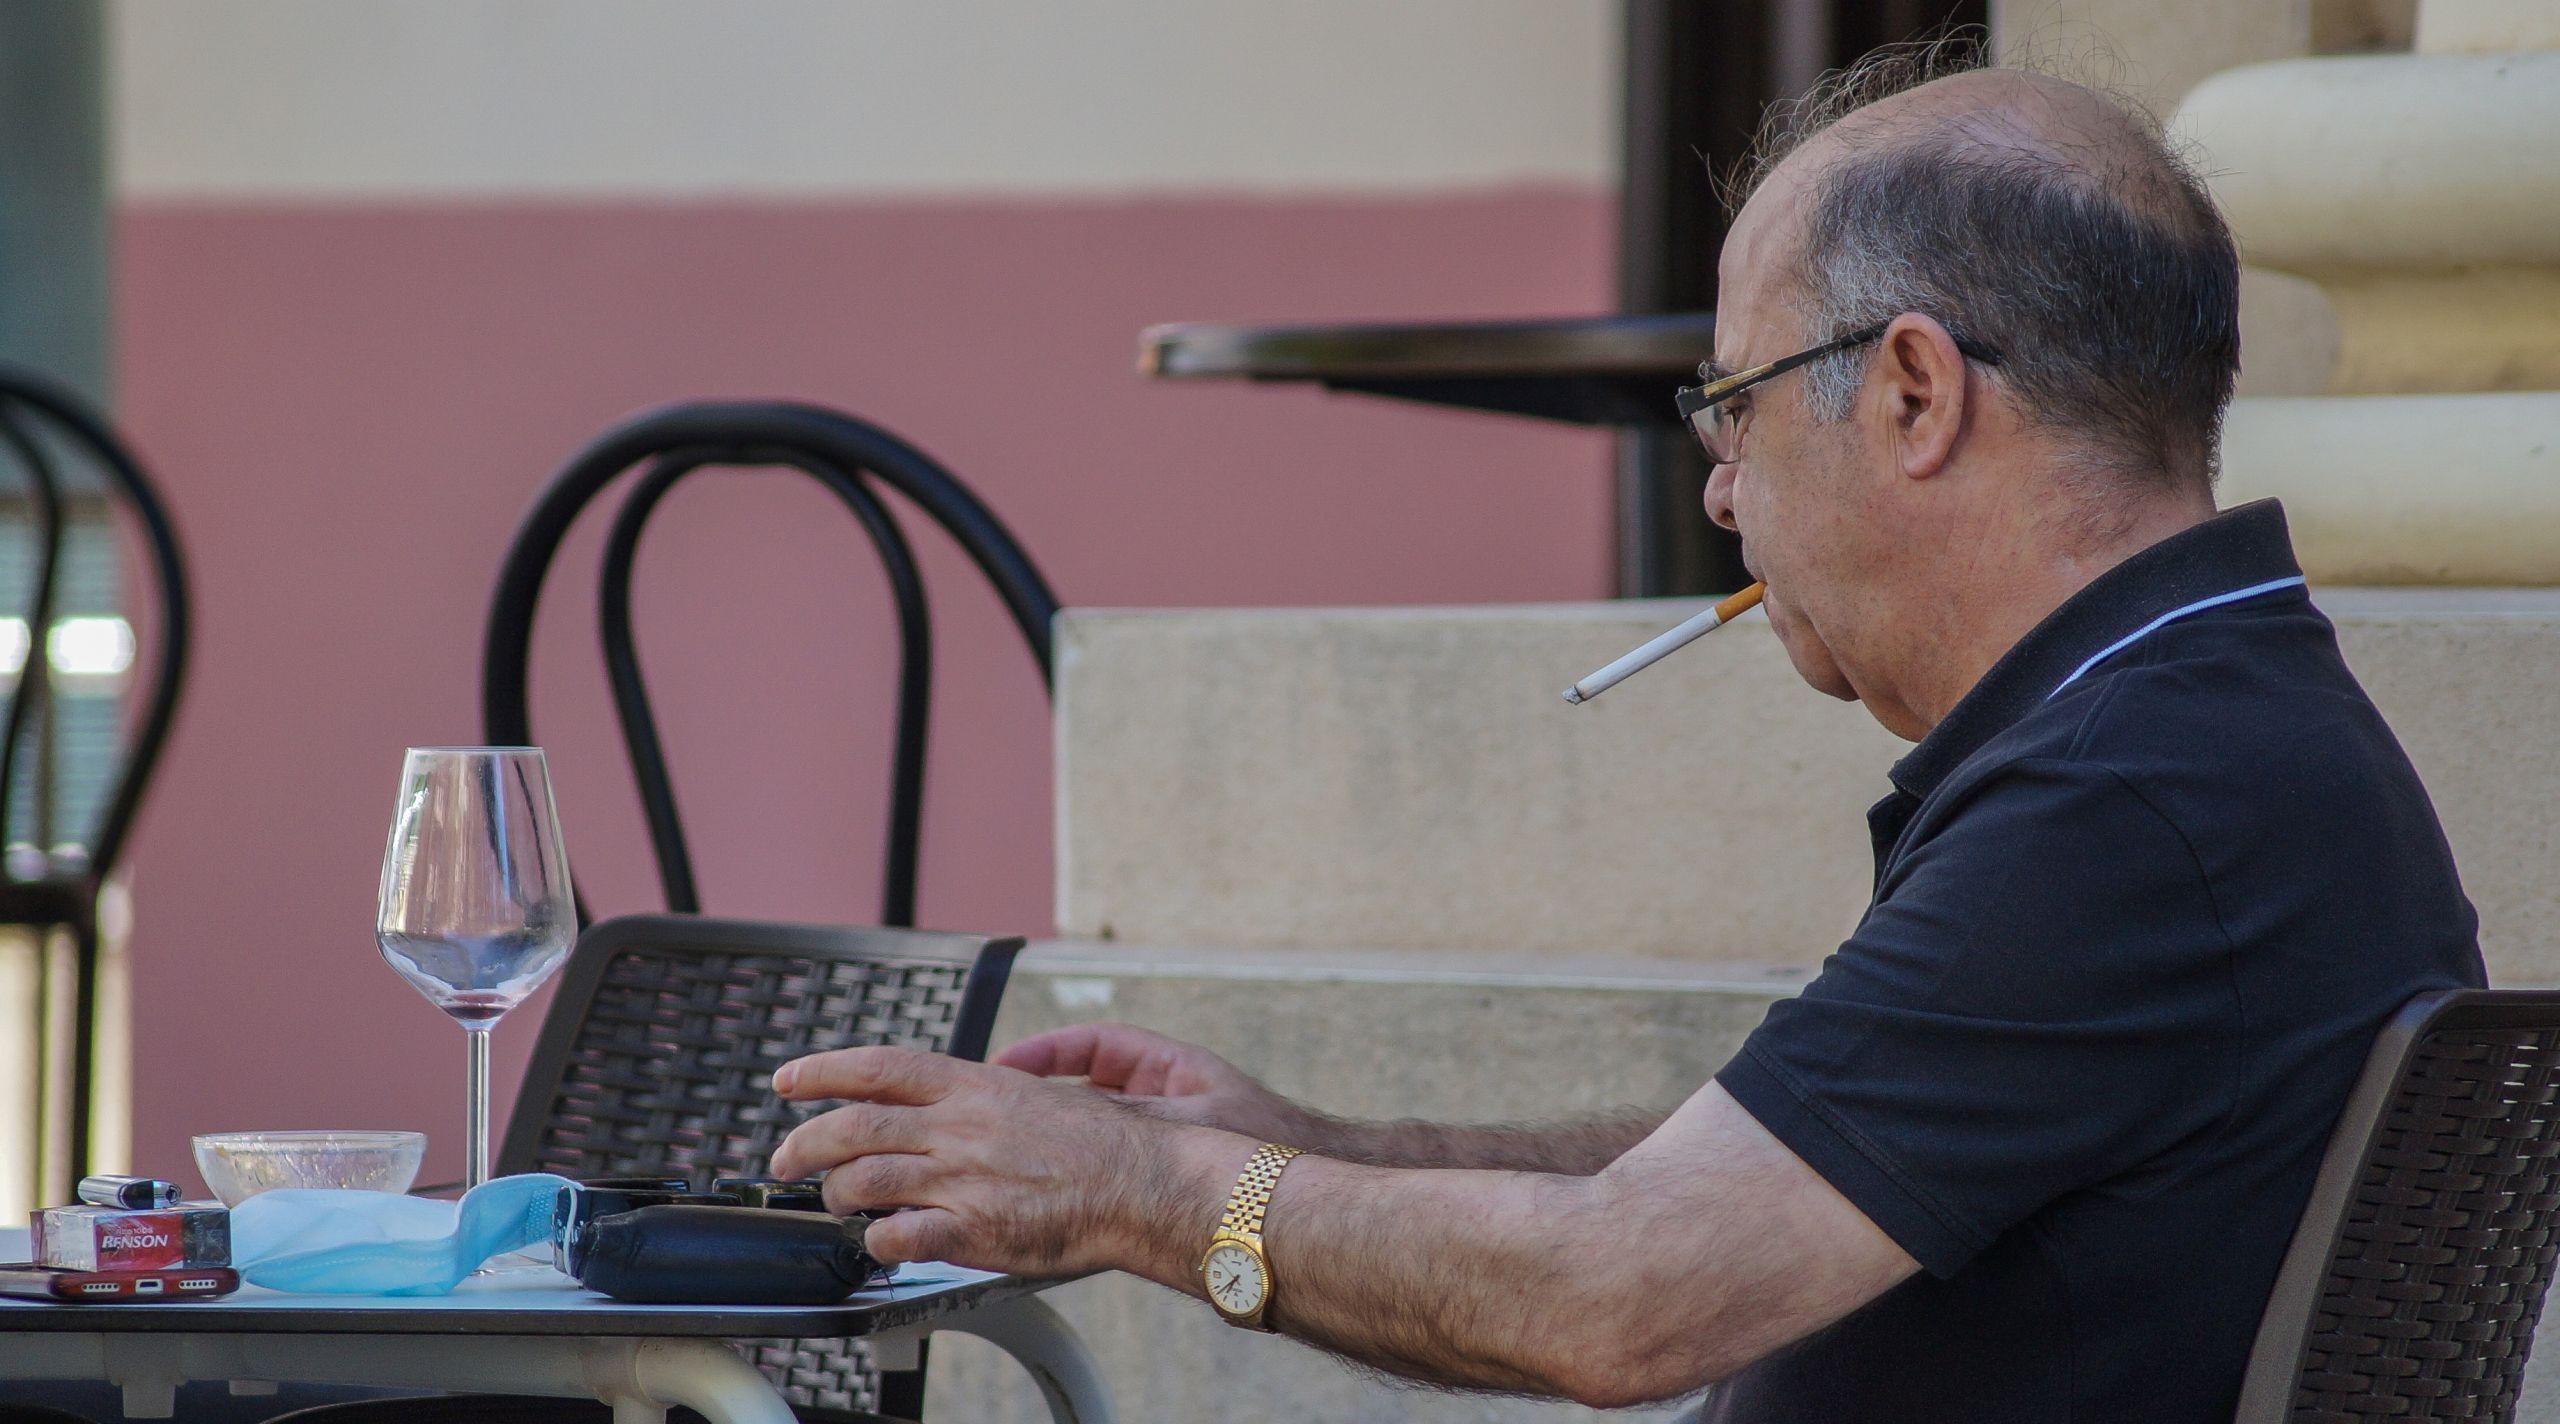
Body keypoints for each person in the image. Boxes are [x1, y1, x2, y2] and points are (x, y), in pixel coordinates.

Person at [768, 50, 2485, 1423]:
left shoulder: (2136, 794)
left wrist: (1143, 1194)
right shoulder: (2202, 721)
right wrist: (1294, 1145)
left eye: (1731, 406)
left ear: (1911, 391)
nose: (1725, 488)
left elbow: (1624, 1298)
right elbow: (1755, 1178)